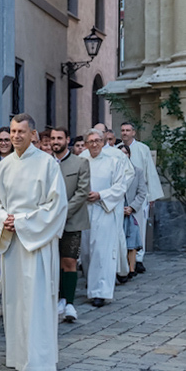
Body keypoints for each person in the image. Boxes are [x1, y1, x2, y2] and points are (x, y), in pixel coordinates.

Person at [0, 113, 67, 371]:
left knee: (35, 302)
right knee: (14, 301)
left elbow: (57, 206)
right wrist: (3, 219)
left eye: (21, 131)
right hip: (11, 241)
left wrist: (21, 221)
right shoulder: (3, 167)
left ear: (33, 134)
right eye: (12, 131)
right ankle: (18, 356)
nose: (15, 136)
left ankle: (38, 362)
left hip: (36, 242)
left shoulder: (47, 164)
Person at [81, 128, 132, 308]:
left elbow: (120, 186)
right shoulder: (81, 161)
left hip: (104, 209)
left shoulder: (114, 161)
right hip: (84, 210)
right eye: (91, 141)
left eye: (98, 141)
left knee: (102, 252)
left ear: (103, 143)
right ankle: (91, 284)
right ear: (86, 144)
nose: (94, 144)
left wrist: (101, 195)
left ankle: (100, 292)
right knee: (86, 251)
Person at [50, 127, 90, 324]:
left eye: (60, 138)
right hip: (48, 221)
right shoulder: (45, 163)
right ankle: (58, 299)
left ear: (67, 140)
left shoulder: (80, 163)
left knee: (69, 261)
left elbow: (83, 192)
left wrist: (63, 212)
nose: (56, 141)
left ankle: (70, 303)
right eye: (53, 138)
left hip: (71, 220)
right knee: (53, 261)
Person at [120, 121, 164, 274]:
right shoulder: (117, 149)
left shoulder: (142, 149)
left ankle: (138, 258)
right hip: (122, 195)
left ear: (134, 132)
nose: (125, 133)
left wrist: (151, 195)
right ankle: (124, 258)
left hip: (140, 193)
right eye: (123, 130)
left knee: (139, 226)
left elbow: (149, 171)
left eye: (128, 130)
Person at [119, 143, 147, 280]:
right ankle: (122, 267)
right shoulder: (114, 171)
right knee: (120, 239)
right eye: (121, 153)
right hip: (118, 209)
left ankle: (131, 268)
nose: (123, 156)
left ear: (129, 155)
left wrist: (132, 207)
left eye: (126, 153)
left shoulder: (138, 171)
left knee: (132, 238)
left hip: (132, 210)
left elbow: (142, 192)